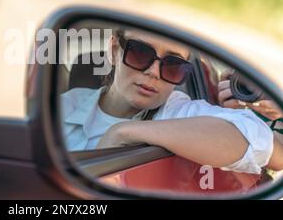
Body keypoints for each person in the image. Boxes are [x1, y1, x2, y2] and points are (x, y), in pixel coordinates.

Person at [61, 28, 283, 174]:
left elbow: (268, 147)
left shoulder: (174, 112)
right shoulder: (62, 106)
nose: (154, 72)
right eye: (140, 53)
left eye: (173, 65)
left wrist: (123, 132)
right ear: (113, 50)